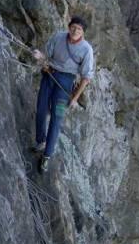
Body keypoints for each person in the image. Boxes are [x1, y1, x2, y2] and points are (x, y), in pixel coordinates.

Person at [31, 16, 95, 172]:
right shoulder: (58, 37)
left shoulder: (86, 50)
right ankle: (40, 142)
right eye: (73, 27)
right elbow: (47, 57)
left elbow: (86, 77)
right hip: (49, 75)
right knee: (40, 110)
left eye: (79, 29)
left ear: (83, 32)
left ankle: (47, 155)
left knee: (57, 118)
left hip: (65, 84)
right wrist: (41, 59)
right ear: (69, 27)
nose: (75, 31)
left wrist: (75, 98)